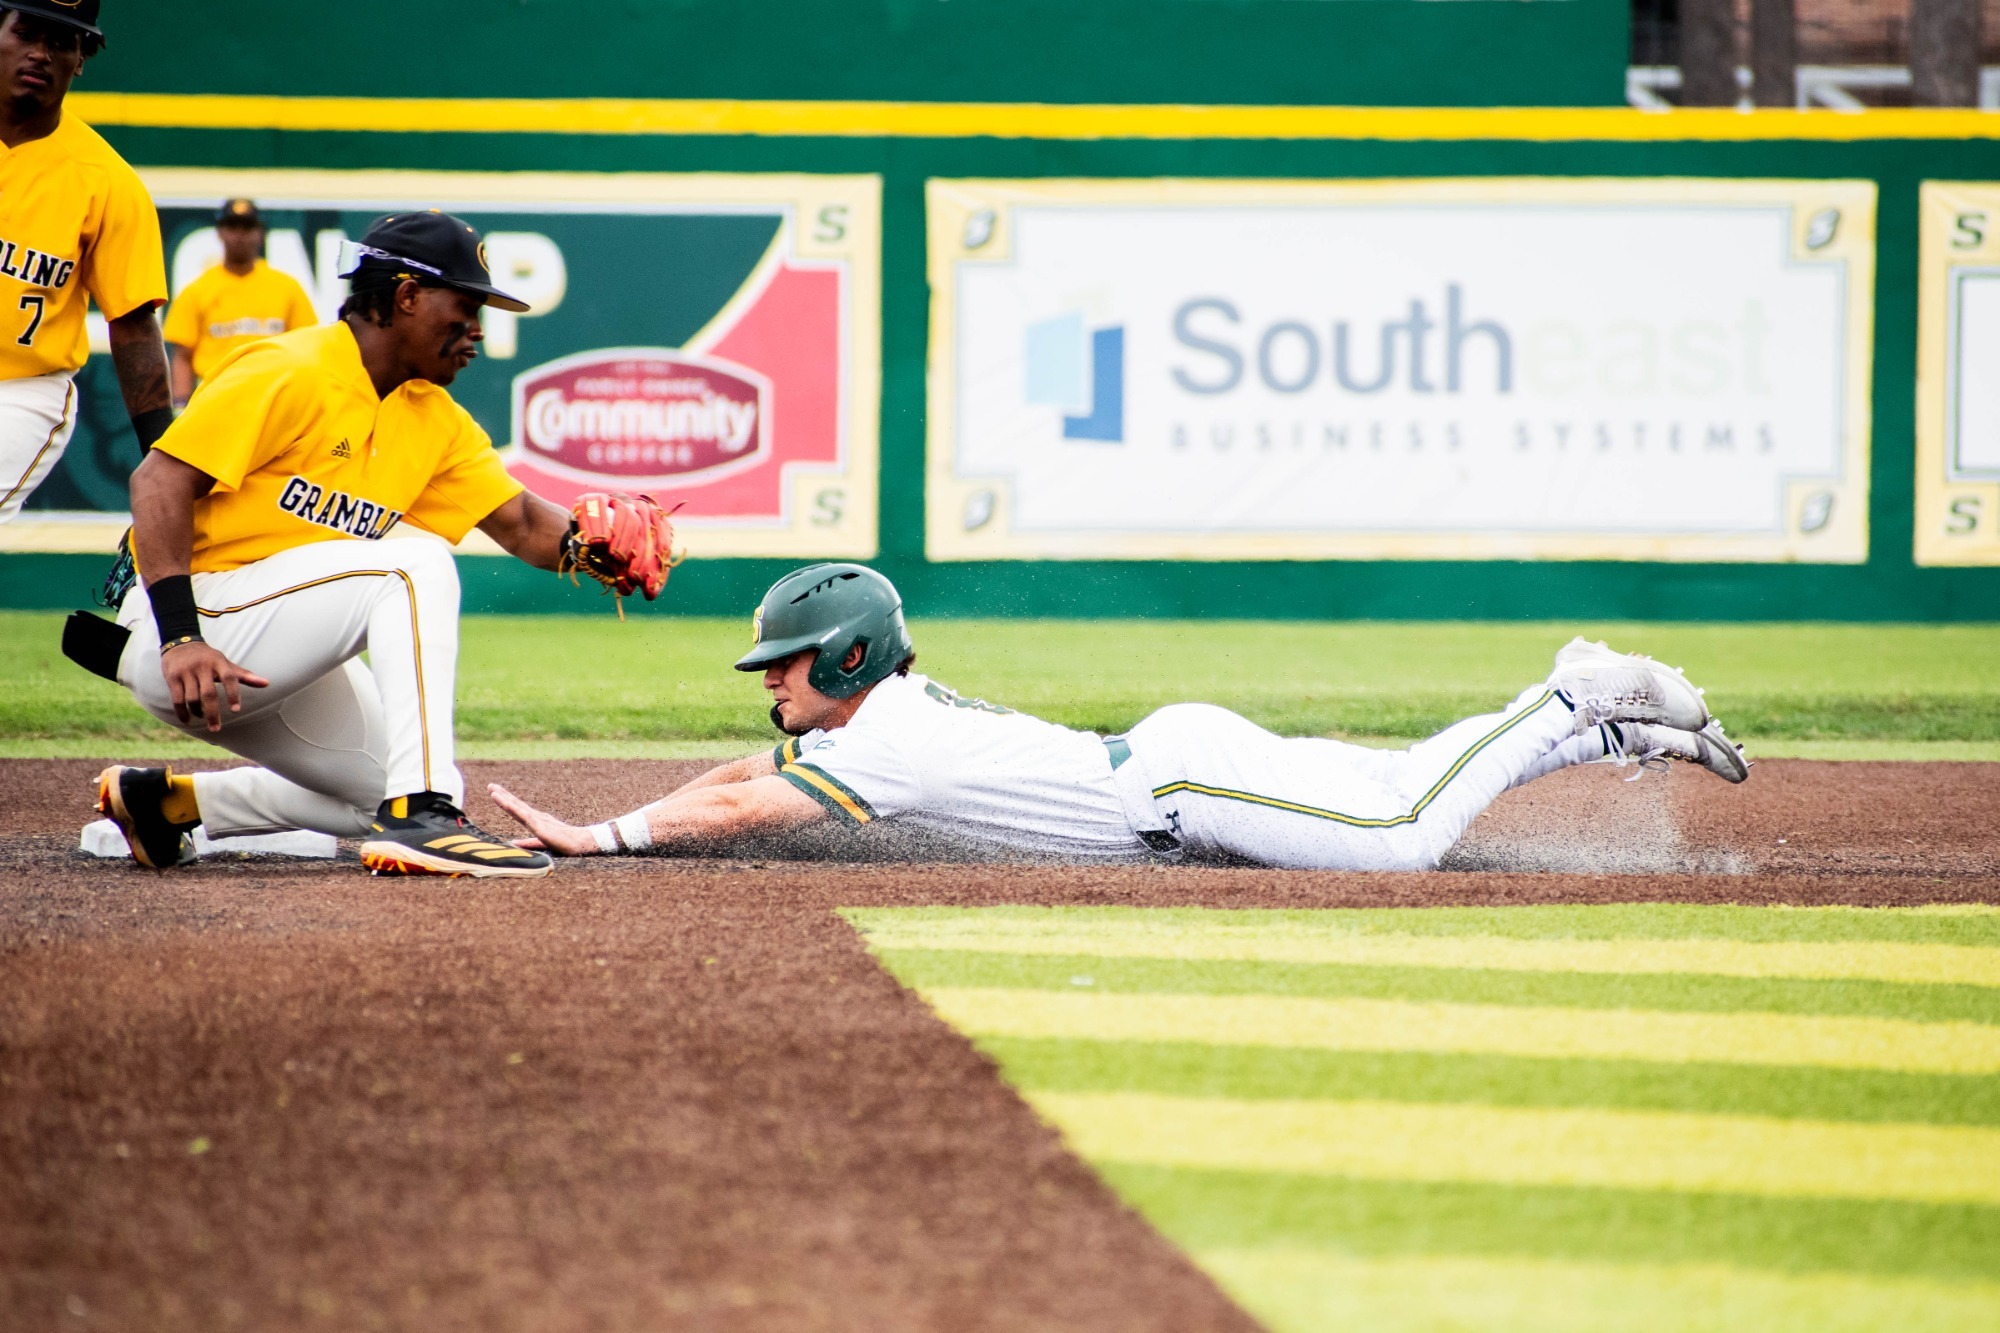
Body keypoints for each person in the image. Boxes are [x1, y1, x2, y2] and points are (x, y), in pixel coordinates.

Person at [90, 209, 674, 879]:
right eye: (467, 305)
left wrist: (592, 544)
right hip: (193, 627)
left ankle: (167, 803)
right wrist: (180, 637)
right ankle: (424, 815)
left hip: (271, 652)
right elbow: (158, 480)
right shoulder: (289, 367)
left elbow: (521, 524)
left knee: (381, 786)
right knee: (412, 563)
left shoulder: (432, 418)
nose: (478, 328)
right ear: (406, 295)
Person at [488, 564, 1749, 870]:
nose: (769, 684)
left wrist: (605, 836)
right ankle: (1601, 732)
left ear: (851, 655)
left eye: (786, 664)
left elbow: (742, 800)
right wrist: (641, 813)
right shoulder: (867, 720)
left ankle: (1570, 688)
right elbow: (744, 770)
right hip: (1172, 764)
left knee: (1400, 836)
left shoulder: (890, 738)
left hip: (1178, 784)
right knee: (1399, 784)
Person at [0, 0, 171, 524]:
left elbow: (135, 328)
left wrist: (165, 459)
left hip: (22, 393)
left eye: (62, 42)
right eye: (27, 33)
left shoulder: (106, 181)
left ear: (81, 59)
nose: (40, 54)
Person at [162, 198, 317, 409]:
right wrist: (181, 403)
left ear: (260, 234)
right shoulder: (197, 290)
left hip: (272, 398)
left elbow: (306, 349)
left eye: (248, 227)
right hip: (216, 399)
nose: (240, 235)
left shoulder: (287, 288)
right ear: (220, 232)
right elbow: (182, 356)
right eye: (232, 227)